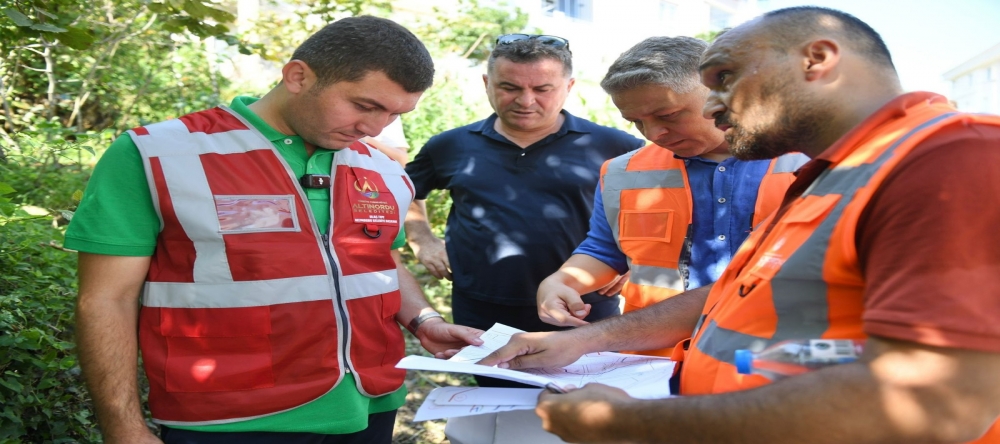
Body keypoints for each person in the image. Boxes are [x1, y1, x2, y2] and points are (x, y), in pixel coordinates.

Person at [478, 6, 1000, 443]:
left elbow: (936, 403)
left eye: (724, 78)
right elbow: (733, 297)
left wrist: (624, 422)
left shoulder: (951, 159)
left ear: (817, 59)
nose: (714, 105)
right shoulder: (835, 173)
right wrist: (586, 341)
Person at [68, 16, 484, 444]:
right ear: (298, 76)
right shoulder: (158, 155)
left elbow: (380, 263)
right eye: (364, 106)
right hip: (230, 419)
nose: (375, 129)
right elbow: (106, 299)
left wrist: (424, 320)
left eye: (395, 114)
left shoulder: (379, 169)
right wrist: (123, 428)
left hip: (371, 403)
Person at [535, 36, 807, 358]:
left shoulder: (812, 160)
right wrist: (559, 282)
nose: (652, 135)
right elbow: (605, 248)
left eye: (669, 115)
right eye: (636, 122)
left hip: (777, 356)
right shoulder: (622, 172)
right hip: (655, 362)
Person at [403, 33, 645, 384]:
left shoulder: (615, 145)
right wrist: (422, 237)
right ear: (487, 83)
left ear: (569, 86)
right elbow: (401, 190)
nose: (525, 100)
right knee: (496, 406)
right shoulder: (451, 146)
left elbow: (663, 204)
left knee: (583, 408)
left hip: (582, 310)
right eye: (509, 87)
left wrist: (637, 257)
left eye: (542, 89)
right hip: (481, 309)